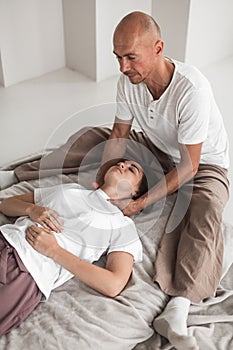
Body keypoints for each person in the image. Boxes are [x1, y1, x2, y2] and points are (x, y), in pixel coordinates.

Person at [0, 11, 229, 349]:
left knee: (207, 207)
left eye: (130, 57)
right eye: (118, 57)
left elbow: (189, 166)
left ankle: (181, 304)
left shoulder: (190, 90)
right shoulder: (130, 82)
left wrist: (138, 203)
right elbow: (120, 133)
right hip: (155, 146)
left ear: (158, 48)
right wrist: (104, 175)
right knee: (96, 135)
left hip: (201, 162)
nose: (122, 67)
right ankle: (21, 172)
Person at [0, 159, 147, 336]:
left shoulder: (123, 225)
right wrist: (31, 210)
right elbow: (6, 204)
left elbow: (113, 284)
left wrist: (54, 251)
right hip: (5, 238)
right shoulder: (71, 189)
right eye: (122, 163)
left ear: (135, 192)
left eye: (132, 169)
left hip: (28, 271)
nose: (123, 166)